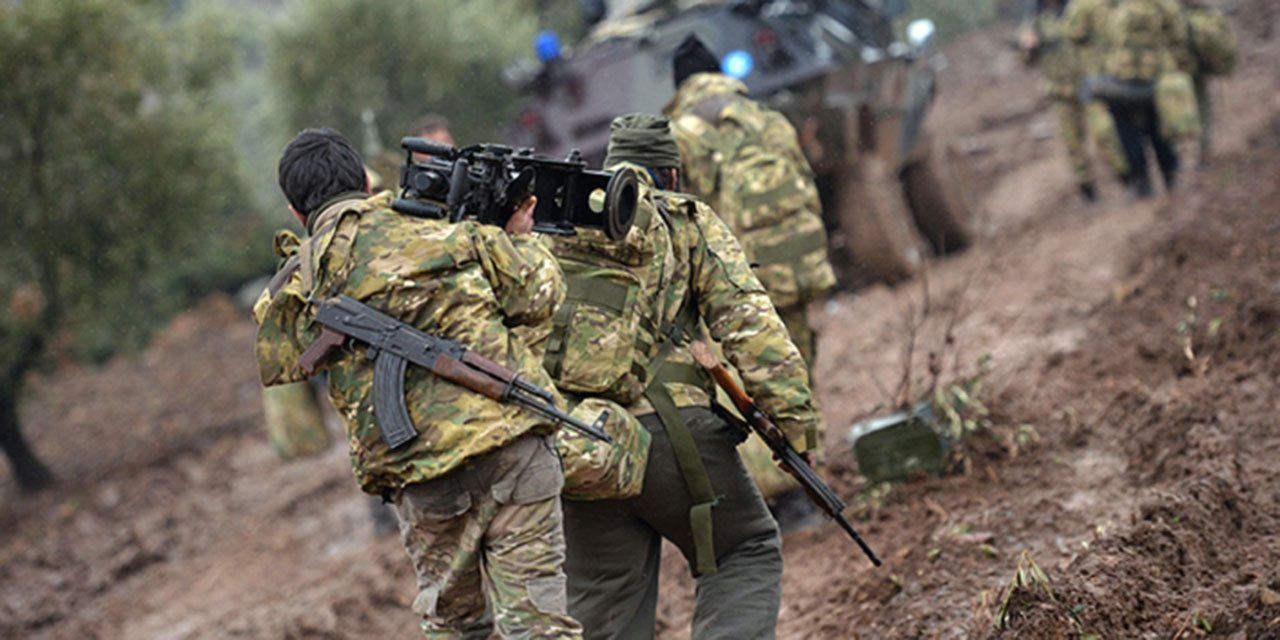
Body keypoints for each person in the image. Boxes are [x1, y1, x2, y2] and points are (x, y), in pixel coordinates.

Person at [253, 127, 581, 638]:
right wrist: (519, 237)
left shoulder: (301, 282)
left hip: (422, 477)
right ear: (366, 180)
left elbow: (287, 360)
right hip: (514, 449)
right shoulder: (449, 231)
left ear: (296, 213)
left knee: (454, 627)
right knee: (542, 630)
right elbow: (540, 300)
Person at [534, 113, 824, 639]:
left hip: (579, 443)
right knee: (745, 548)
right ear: (669, 175)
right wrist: (795, 429)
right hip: (674, 436)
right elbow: (750, 326)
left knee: (604, 601)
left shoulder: (554, 227)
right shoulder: (685, 220)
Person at [662, 34, 834, 521]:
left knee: (753, 382)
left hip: (745, 280)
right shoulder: (767, 117)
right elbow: (807, 176)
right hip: (799, 260)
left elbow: (683, 213)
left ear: (681, 84)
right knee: (793, 369)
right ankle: (811, 470)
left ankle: (785, 498)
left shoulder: (683, 132)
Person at [1066, 0, 1189, 199]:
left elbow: (1072, 32)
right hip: (1148, 73)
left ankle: (1147, 182)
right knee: (1153, 129)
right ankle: (1168, 178)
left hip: (1118, 76)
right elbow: (1177, 28)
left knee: (1131, 132)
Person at [1019, 0, 1127, 202]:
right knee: (1073, 143)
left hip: (1090, 84)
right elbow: (1024, 60)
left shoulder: (1079, 9)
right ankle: (1087, 189)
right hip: (1061, 92)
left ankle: (1127, 177)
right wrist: (1028, 47)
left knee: (1104, 132)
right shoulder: (1035, 21)